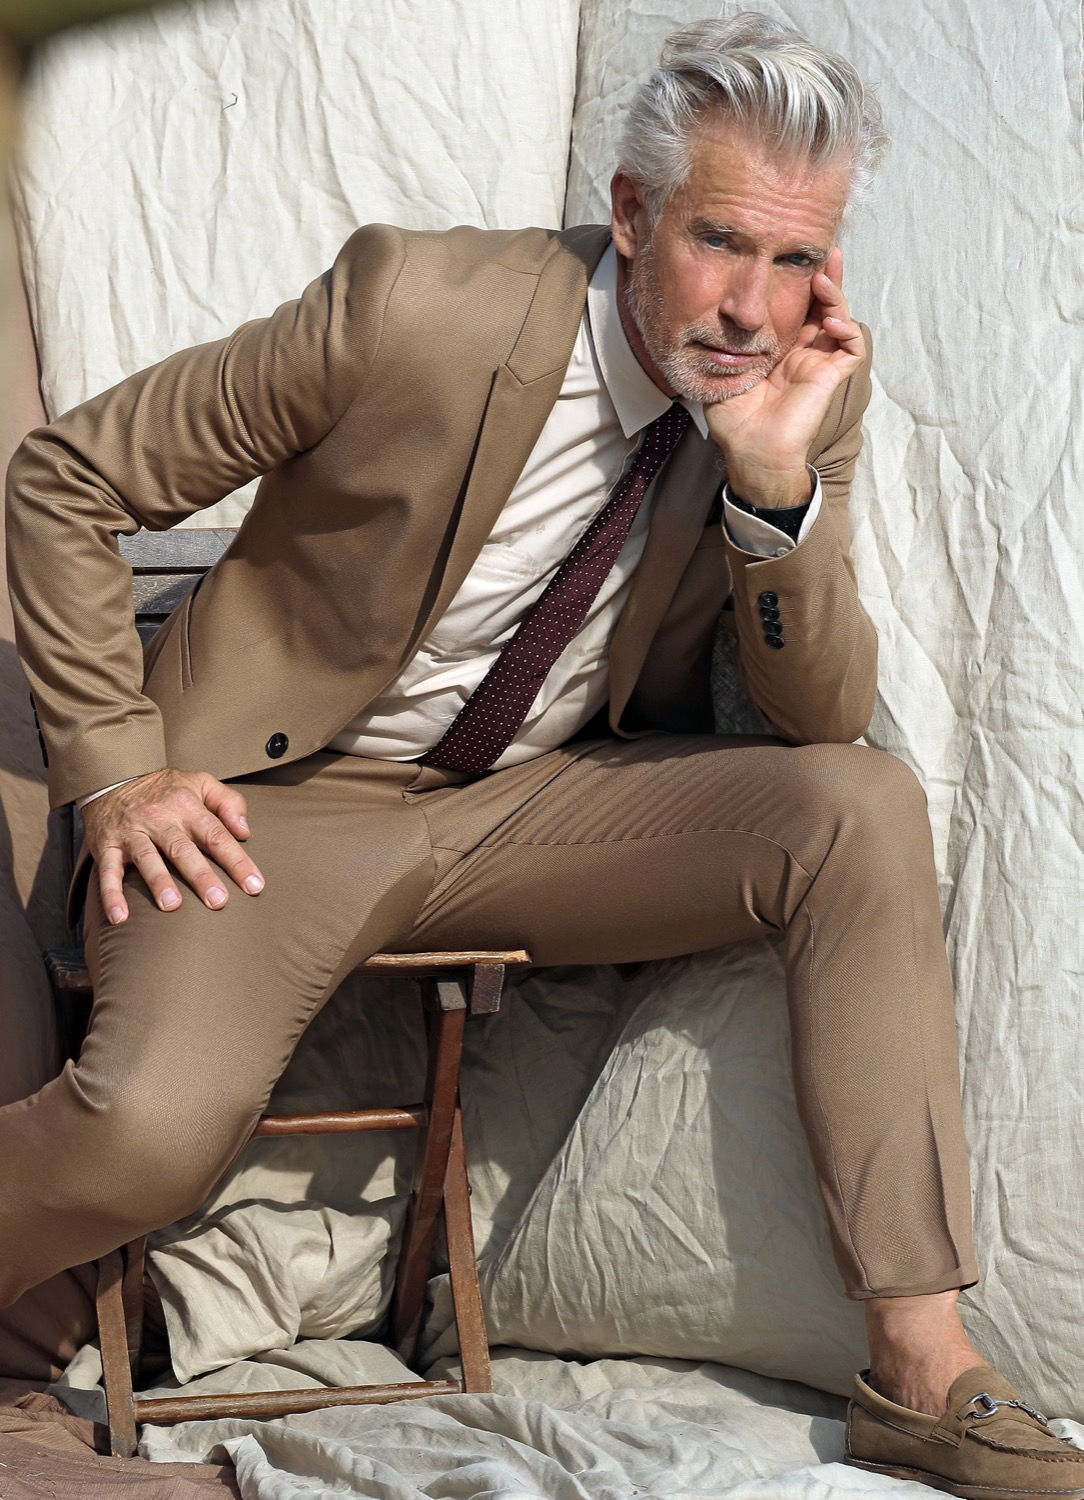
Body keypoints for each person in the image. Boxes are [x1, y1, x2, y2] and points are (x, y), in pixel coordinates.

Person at [4, 14, 1079, 1497]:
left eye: (796, 259)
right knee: (143, 1135)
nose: (753, 306)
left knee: (858, 804)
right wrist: (121, 768)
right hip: (274, 803)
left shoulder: (796, 386)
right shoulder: (414, 303)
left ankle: (920, 1362)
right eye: (720, 242)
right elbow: (66, 479)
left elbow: (817, 714)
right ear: (631, 213)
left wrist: (775, 485)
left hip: (523, 807)